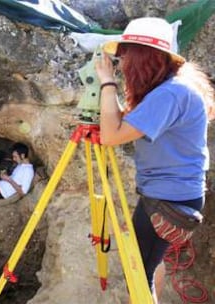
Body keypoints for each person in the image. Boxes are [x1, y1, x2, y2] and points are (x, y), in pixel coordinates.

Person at [95, 17, 214, 303]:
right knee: (150, 260)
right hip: (172, 195)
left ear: (141, 58)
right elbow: (130, 123)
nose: (121, 65)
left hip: (167, 199)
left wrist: (107, 83)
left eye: (124, 57)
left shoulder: (170, 94)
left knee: (138, 269)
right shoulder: (173, 89)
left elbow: (111, 136)